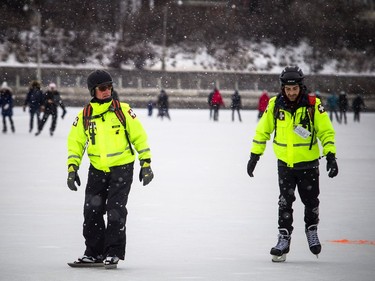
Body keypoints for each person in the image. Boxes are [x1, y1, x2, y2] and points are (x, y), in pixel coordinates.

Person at [246, 66, 338, 262]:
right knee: (284, 203)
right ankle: (284, 239)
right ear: (283, 88)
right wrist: (255, 156)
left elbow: (326, 132)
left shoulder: (313, 104)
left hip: (308, 164)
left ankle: (311, 231)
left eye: (294, 89)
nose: (291, 92)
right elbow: (262, 131)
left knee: (311, 202)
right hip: (285, 165)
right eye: (287, 89)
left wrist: (330, 155)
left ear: (300, 86)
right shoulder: (275, 105)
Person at [66, 70, 154, 269]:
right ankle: (94, 253)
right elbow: (76, 143)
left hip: (122, 168)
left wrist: (146, 163)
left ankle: (113, 252)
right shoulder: (84, 116)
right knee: (92, 211)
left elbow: (139, 137)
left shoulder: (123, 111)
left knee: (115, 210)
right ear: (93, 91)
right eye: (102, 88)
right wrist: (72, 168)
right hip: (97, 169)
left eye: (109, 87)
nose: (107, 91)